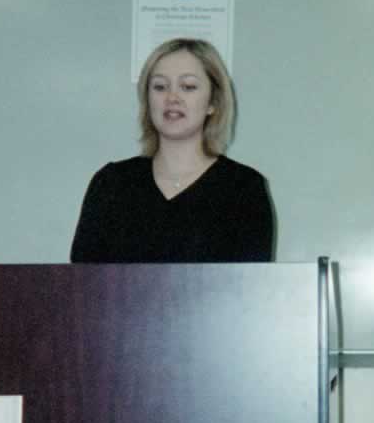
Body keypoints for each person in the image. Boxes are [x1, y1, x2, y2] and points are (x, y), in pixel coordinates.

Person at [70, 37, 274, 263]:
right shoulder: (110, 184)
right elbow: (82, 285)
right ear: (148, 101)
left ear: (213, 102)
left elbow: (252, 290)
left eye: (188, 87)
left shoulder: (244, 189)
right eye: (160, 87)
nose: (172, 98)